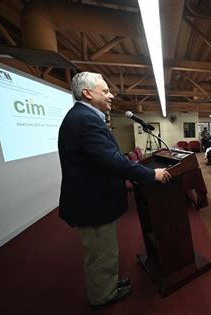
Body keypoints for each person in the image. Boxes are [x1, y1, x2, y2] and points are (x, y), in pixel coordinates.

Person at [58, 72, 171, 307]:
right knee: (101, 254)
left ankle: (106, 285)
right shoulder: (85, 120)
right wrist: (151, 174)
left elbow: (109, 158)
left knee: (104, 251)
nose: (111, 95)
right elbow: (112, 161)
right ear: (87, 93)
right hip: (92, 204)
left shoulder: (82, 117)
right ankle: (102, 296)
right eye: (106, 91)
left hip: (93, 199)